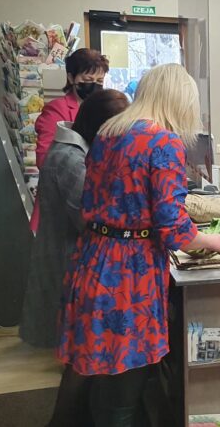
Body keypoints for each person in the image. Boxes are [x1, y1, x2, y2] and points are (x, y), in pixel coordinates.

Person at [55, 64, 220, 426]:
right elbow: (173, 228)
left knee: (99, 369)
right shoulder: (163, 142)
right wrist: (212, 241)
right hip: (128, 273)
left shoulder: (109, 132)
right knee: (125, 382)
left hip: (93, 258)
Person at [21, 89, 130, 350]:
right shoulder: (69, 158)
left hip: (66, 248)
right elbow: (89, 215)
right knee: (70, 340)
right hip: (66, 253)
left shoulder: (74, 150)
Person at [32, 48, 109, 232]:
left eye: (99, 81)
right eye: (88, 80)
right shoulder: (57, 110)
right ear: (71, 77)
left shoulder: (104, 109)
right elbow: (46, 159)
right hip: (62, 206)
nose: (94, 86)